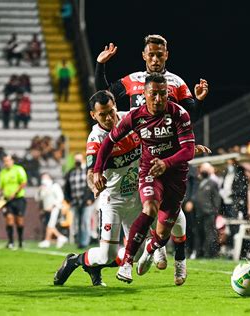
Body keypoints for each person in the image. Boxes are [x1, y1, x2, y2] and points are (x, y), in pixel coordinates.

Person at [54, 90, 207, 287]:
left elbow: (163, 137)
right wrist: (95, 182)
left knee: (173, 219)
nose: (109, 118)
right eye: (103, 115)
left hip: (140, 193)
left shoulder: (133, 118)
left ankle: (176, 257)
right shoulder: (96, 138)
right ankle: (76, 261)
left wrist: (188, 148)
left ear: (115, 105)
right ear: (93, 115)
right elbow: (91, 172)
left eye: (111, 111)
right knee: (106, 255)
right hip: (114, 201)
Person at [92, 73, 195, 284]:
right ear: (144, 95)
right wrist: (96, 170)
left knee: (163, 230)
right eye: (153, 94)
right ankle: (127, 263)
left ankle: (152, 248)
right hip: (149, 171)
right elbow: (108, 142)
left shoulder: (179, 114)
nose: (158, 99)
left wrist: (166, 163)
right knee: (149, 208)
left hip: (175, 175)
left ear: (168, 93)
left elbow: (188, 150)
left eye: (162, 94)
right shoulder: (135, 116)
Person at [94, 35, 208, 121]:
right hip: (138, 145)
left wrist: (199, 99)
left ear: (166, 55)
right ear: (144, 55)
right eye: (151, 55)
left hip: (165, 144)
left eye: (159, 55)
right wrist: (100, 64)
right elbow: (103, 95)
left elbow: (192, 117)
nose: (155, 59)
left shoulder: (177, 82)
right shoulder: (133, 79)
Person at [64, 153, 93, 249]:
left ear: (83, 160)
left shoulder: (87, 171)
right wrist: (68, 199)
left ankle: (85, 242)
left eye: (79, 159)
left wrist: (91, 198)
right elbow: (67, 187)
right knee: (77, 222)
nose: (77, 161)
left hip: (86, 201)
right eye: (76, 159)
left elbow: (92, 185)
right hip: (75, 201)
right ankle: (80, 242)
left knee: (85, 221)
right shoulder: (71, 172)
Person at [192, 163, 221, 258]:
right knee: (199, 232)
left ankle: (209, 253)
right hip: (199, 212)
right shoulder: (199, 182)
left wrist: (214, 210)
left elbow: (217, 198)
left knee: (210, 233)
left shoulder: (213, 183)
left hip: (209, 212)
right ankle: (199, 252)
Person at [0, 154, 28, 249]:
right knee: (9, 219)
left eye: (8, 160)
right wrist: (1, 195)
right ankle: (10, 242)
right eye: (5, 161)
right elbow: (1, 187)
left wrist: (14, 193)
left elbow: (23, 183)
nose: (6, 163)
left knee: (19, 221)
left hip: (18, 199)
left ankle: (20, 241)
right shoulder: (2, 172)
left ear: (12, 161)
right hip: (8, 201)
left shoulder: (18, 169)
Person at [36, 173, 67, 248]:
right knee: (49, 225)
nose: (44, 179)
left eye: (45, 177)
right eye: (43, 178)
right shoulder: (43, 188)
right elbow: (38, 198)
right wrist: (39, 190)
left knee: (50, 224)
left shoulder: (55, 186)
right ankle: (60, 237)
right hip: (46, 210)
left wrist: (53, 205)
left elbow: (60, 197)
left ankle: (47, 240)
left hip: (55, 208)